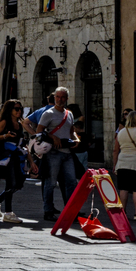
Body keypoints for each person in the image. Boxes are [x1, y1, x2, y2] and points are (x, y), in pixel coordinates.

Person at [34, 87, 80, 222]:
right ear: (54, 98)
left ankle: (70, 211)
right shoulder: (48, 113)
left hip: (67, 153)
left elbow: (71, 130)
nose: (60, 100)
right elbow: (39, 131)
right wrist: (53, 137)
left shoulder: (69, 114)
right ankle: (48, 211)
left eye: (63, 97)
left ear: (66, 99)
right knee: (51, 183)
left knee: (71, 182)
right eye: (58, 97)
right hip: (53, 153)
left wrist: (76, 139)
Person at [0, 99, 27, 223]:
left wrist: (31, 159)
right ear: (10, 110)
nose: (19, 111)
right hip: (7, 157)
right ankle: (8, 213)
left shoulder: (19, 124)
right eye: (16, 109)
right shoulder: (4, 122)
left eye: (20, 109)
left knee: (18, 183)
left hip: (17, 156)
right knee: (11, 183)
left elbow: (21, 143)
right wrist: (6, 136)